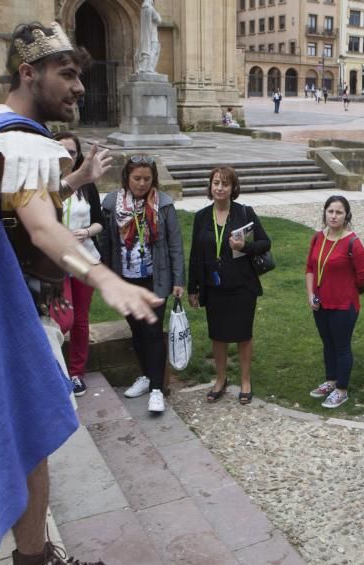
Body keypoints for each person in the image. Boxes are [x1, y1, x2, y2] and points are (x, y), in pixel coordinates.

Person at [0, 21, 161, 565]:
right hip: (4, 315)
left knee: (23, 433)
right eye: (66, 74)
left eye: (79, 76)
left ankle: (36, 554)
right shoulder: (23, 139)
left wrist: (71, 182)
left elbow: (23, 208)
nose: (77, 88)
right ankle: (37, 561)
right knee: (29, 433)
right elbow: (43, 228)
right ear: (29, 73)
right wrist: (107, 279)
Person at [99, 155, 185, 414]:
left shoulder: (164, 204)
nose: (142, 183)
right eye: (137, 178)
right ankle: (147, 376)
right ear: (126, 177)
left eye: (147, 179)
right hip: (125, 278)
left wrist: (179, 279)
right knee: (136, 330)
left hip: (155, 279)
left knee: (152, 331)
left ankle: (157, 389)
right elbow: (106, 242)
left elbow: (175, 245)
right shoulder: (112, 203)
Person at [188, 166, 271, 405]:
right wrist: (193, 287)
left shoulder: (244, 213)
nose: (220, 188)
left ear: (233, 188)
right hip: (214, 286)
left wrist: (244, 247)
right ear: (210, 186)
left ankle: (245, 381)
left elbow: (265, 243)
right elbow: (195, 253)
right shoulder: (201, 217)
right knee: (218, 335)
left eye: (225, 184)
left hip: (242, 285)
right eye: (216, 183)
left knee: (243, 335)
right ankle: (221, 379)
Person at [305, 196, 364, 409]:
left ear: (346, 216)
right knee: (328, 344)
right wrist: (310, 294)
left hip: (343, 305)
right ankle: (331, 380)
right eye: (330, 211)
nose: (333, 216)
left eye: (339, 212)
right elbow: (310, 269)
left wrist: (348, 287)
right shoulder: (318, 238)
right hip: (320, 303)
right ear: (325, 212)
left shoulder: (353, 242)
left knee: (341, 346)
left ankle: (341, 390)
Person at [53, 131, 104, 397]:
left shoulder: (87, 185)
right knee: (62, 320)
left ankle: (76, 373)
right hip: (56, 262)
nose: (67, 157)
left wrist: (86, 232)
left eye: (71, 152)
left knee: (81, 320)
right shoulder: (45, 184)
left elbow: (99, 221)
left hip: (85, 260)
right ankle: (55, 369)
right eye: (61, 151)